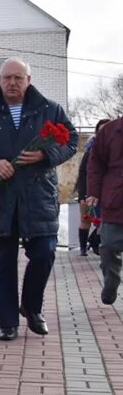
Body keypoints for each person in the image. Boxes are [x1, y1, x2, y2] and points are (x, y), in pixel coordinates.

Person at [0, 57, 77, 341]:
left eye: (18, 78)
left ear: (28, 80)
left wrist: (46, 155)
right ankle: (7, 322)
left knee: (45, 252)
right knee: (5, 261)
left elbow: (71, 140)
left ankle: (32, 307)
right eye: (6, 78)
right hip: (1, 198)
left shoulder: (49, 109)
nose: (11, 83)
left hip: (39, 196)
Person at [83, 117, 123, 303]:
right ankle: (112, 281)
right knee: (108, 247)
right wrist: (93, 191)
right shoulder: (111, 130)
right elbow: (96, 163)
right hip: (115, 199)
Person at [76, 119, 111, 256]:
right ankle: (84, 247)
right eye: (101, 130)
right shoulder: (90, 151)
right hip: (91, 192)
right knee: (86, 219)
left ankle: (98, 244)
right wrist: (84, 194)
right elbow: (84, 173)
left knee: (105, 222)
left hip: (109, 192)